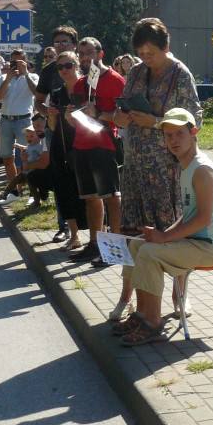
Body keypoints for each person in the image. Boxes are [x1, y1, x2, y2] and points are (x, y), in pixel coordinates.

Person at [110, 108, 213, 346]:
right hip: (199, 242)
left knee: (149, 252)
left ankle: (153, 324)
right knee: (137, 244)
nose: (173, 140)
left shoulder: (201, 170)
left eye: (179, 133)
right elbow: (189, 215)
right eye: (168, 135)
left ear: (194, 133)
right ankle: (141, 313)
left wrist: (164, 237)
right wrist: (163, 235)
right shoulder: (185, 166)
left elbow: (203, 220)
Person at [109, 18, 202, 321]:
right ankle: (138, 300)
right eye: (142, 53)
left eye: (151, 53)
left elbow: (194, 121)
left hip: (168, 169)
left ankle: (180, 296)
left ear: (166, 48)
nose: (145, 59)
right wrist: (120, 118)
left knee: (171, 234)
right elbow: (121, 111)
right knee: (135, 234)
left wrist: (157, 121)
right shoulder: (136, 72)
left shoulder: (181, 75)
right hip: (136, 165)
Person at [64, 37, 126, 263]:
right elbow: (74, 118)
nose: (84, 57)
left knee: (110, 196)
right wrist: (69, 115)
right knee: (90, 198)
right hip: (81, 145)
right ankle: (94, 244)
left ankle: (116, 249)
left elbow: (125, 118)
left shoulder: (116, 80)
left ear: (101, 54)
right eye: (81, 53)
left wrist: (98, 112)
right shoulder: (80, 84)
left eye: (89, 52)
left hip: (104, 145)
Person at [46, 50, 88, 251]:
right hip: (61, 144)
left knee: (90, 189)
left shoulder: (87, 88)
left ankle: (98, 235)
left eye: (68, 65)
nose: (64, 70)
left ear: (77, 65)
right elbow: (53, 127)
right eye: (60, 67)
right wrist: (51, 115)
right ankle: (74, 235)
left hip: (85, 143)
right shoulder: (56, 93)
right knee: (64, 189)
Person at [0, 48, 39, 185]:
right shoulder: (3, 78)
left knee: (26, 155)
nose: (15, 64)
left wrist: (25, 74)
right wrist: (8, 79)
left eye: (18, 61)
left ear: (25, 61)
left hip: (23, 120)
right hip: (6, 120)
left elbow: (37, 93)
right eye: (13, 61)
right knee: (7, 157)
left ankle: (28, 188)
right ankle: (13, 188)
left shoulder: (33, 77)